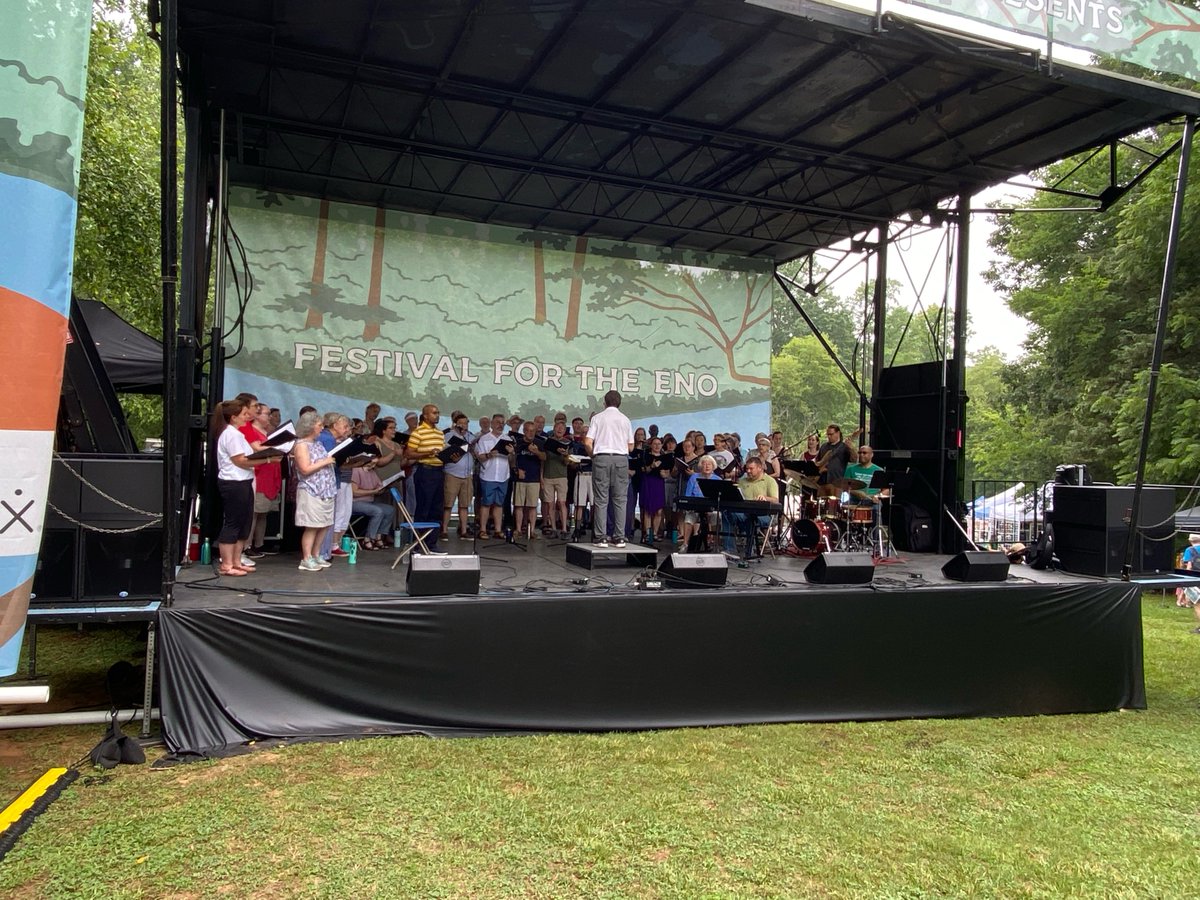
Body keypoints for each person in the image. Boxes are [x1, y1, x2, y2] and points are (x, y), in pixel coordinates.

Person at [211, 399, 269, 576]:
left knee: (244, 523)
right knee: (233, 522)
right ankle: (227, 564)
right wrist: (266, 460)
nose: (248, 417)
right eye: (244, 414)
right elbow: (240, 460)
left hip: (243, 481)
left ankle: (236, 561)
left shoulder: (237, 433)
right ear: (234, 417)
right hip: (233, 482)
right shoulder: (231, 434)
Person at [583, 389, 634, 548]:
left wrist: (593, 456)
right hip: (621, 458)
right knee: (620, 499)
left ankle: (601, 537)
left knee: (601, 499)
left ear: (604, 402)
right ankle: (620, 537)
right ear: (619, 403)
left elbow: (587, 442)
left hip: (602, 457)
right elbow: (631, 446)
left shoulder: (598, 418)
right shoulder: (625, 419)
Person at [292, 410, 338, 572]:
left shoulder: (317, 443)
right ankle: (306, 558)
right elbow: (304, 469)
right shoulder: (301, 445)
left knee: (324, 524)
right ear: (310, 426)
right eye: (319, 425)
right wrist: (325, 461)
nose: (321, 428)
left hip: (326, 490)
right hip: (311, 490)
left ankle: (317, 554)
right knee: (312, 525)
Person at [238, 402, 283, 558]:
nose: (269, 417)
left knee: (264, 513)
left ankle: (259, 544)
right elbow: (256, 449)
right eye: (267, 413)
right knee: (254, 513)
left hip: (271, 475)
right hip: (260, 475)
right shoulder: (249, 430)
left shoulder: (266, 431)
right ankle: (246, 545)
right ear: (256, 415)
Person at [406, 403, 446, 548]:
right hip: (425, 471)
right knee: (424, 507)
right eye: (434, 413)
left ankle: (432, 543)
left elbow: (440, 453)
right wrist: (427, 453)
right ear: (426, 415)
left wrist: (450, 456)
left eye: (438, 412)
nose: (437, 415)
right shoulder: (418, 432)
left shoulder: (440, 433)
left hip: (439, 471)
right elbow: (409, 453)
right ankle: (418, 542)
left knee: (437, 508)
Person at [722, 456, 779, 555]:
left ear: (759, 468)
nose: (748, 471)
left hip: (763, 515)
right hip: (743, 512)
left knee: (750, 518)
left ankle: (750, 551)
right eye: (747, 469)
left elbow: (776, 500)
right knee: (726, 513)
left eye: (751, 469)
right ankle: (730, 549)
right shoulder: (743, 481)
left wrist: (765, 497)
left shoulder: (770, 481)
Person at [475, 414, 511, 540]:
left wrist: (512, 453)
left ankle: (497, 530)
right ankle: (483, 530)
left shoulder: (508, 439)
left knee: (499, 504)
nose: (500, 425)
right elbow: (479, 457)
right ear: (492, 423)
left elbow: (512, 460)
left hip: (503, 476)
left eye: (502, 423)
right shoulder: (484, 439)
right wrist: (490, 455)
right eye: (497, 422)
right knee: (486, 503)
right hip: (488, 476)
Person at [441, 412, 474, 540]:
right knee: (448, 503)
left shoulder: (470, 437)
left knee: (464, 504)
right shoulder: (448, 436)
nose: (464, 425)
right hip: (452, 473)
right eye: (461, 423)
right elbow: (444, 452)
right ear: (455, 423)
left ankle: (464, 530)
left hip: (467, 475)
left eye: (466, 423)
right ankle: (444, 529)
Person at [678, 454, 720, 552]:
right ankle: (685, 544)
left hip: (711, 508)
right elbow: (687, 495)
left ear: (713, 466)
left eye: (709, 464)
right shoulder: (694, 477)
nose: (707, 466)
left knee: (717, 517)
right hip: (695, 507)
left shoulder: (718, 479)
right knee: (689, 517)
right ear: (700, 466)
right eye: (704, 464)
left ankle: (714, 543)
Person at [512, 420, 546, 540]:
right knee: (519, 505)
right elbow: (512, 460)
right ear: (524, 431)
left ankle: (531, 531)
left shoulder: (539, 442)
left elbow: (544, 458)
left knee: (532, 506)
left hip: (534, 478)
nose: (531, 433)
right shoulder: (518, 443)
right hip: (520, 479)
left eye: (533, 431)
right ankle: (518, 529)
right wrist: (517, 470)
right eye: (528, 431)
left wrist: (536, 452)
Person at [350, 462, 395, 549]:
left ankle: (379, 537)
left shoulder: (372, 472)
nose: (374, 464)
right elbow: (354, 492)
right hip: (355, 502)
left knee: (390, 510)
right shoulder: (356, 470)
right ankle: (368, 539)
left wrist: (383, 488)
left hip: (369, 502)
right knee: (377, 511)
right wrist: (372, 492)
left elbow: (379, 486)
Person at [541, 419, 571, 538]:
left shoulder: (567, 443)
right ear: (554, 429)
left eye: (562, 428)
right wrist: (541, 477)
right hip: (548, 476)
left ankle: (564, 528)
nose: (559, 430)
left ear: (564, 431)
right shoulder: (547, 443)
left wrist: (565, 455)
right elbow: (543, 460)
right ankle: (553, 528)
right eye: (557, 428)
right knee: (550, 504)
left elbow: (568, 462)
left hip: (561, 476)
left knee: (562, 502)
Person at [638, 436, 669, 545]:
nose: (657, 446)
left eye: (659, 444)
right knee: (647, 508)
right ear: (651, 445)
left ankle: (655, 533)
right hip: (648, 482)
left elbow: (667, 473)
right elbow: (643, 470)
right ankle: (647, 533)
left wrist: (664, 474)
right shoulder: (645, 456)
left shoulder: (665, 457)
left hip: (659, 483)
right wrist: (652, 466)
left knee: (659, 510)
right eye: (654, 444)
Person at [816, 424, 859, 492]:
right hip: (822, 481)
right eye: (828, 434)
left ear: (838, 433)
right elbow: (818, 461)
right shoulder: (824, 446)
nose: (829, 436)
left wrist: (851, 448)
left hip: (837, 481)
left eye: (831, 434)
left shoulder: (844, 447)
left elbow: (854, 460)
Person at [1178, 534, 1200, 631]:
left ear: (1190, 541)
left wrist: (1187, 578)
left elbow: (1189, 565)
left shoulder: (1189, 550)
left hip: (1195, 578)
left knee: (1198, 603)